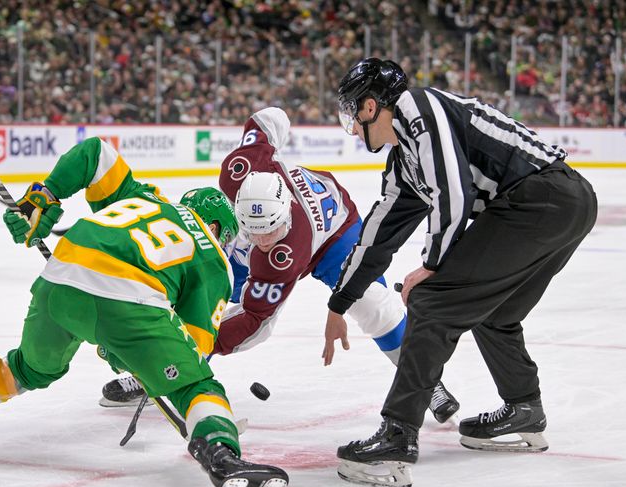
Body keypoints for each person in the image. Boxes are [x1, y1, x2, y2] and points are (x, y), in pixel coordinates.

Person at [0, 137, 294, 487]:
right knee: (196, 386)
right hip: (129, 299)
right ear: (221, 228)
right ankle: (222, 456)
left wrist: (45, 196)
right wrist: (130, 354)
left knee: (30, 367)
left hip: (60, 277)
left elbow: (95, 152)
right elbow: (195, 349)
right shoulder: (215, 260)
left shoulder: (145, 197)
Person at [322, 58, 598, 487]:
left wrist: (431, 267)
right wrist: (339, 302)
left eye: (352, 116)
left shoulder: (418, 108)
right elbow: (377, 238)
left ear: (372, 106)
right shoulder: (404, 163)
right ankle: (524, 407)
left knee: (433, 302)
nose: (353, 130)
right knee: (494, 311)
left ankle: (398, 433)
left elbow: (454, 195)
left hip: (543, 198)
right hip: (566, 204)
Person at [100, 107, 460, 427]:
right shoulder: (240, 171)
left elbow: (256, 324)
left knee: (372, 304)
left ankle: (426, 381)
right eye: (254, 232)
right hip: (271, 225)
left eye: (271, 232)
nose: (263, 241)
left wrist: (195, 346)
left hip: (335, 235)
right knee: (207, 290)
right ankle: (157, 360)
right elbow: (269, 118)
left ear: (284, 212)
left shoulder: (281, 254)